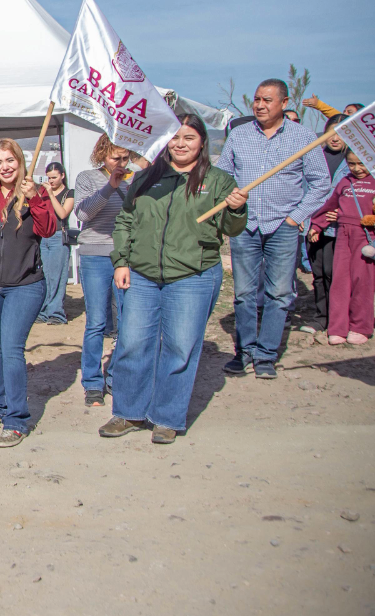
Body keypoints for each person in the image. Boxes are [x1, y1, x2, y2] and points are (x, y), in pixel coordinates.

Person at [102, 115, 248, 444]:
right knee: (133, 343)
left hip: (192, 276)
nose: (180, 143)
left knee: (180, 347)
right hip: (142, 274)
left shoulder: (219, 180)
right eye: (174, 137)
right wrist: (121, 262)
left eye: (189, 137)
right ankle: (127, 411)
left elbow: (231, 228)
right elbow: (125, 220)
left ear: (202, 142)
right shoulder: (146, 177)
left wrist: (237, 210)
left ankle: (166, 416)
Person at [217, 79, 329, 379]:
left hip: (283, 225)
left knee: (279, 293)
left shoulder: (304, 137)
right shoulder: (239, 135)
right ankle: (244, 352)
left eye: (267, 100)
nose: (260, 105)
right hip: (245, 224)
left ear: (284, 102)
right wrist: (231, 199)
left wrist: (297, 216)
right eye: (256, 99)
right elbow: (223, 175)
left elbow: (321, 182)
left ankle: (266, 354)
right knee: (243, 293)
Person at [0, 139, 57, 448]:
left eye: (10, 160)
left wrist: (35, 199)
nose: (5, 167)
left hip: (26, 284)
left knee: (11, 349)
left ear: (20, 162)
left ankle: (16, 419)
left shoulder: (36, 192)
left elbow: (49, 230)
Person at [73, 135, 134, 406]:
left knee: (127, 321)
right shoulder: (87, 178)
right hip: (95, 254)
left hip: (127, 256)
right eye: (114, 158)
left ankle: (117, 375)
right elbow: (83, 214)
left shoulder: (135, 179)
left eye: (124, 158)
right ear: (101, 155)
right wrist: (110, 186)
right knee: (96, 322)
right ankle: (93, 382)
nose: (120, 163)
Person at [308, 150, 375, 345]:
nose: (357, 169)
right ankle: (337, 328)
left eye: (361, 164)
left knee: (362, 281)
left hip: (366, 236)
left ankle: (360, 326)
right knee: (340, 280)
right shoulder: (345, 182)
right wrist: (317, 225)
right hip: (343, 235)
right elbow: (330, 205)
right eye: (352, 164)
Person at [308, 114, 350, 332]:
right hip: (312, 223)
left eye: (342, 133)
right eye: (331, 132)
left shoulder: (353, 162)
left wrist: (344, 212)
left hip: (339, 226)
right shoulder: (314, 156)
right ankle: (321, 315)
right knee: (318, 273)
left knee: (335, 272)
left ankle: (339, 317)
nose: (335, 138)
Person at [36, 162, 75, 325]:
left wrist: (51, 194)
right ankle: (43, 310)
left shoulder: (69, 193)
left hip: (59, 235)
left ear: (62, 176)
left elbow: (63, 213)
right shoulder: (43, 192)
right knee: (44, 275)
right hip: (44, 236)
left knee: (58, 276)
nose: (51, 181)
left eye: (54, 177)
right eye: (49, 178)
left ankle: (56, 312)